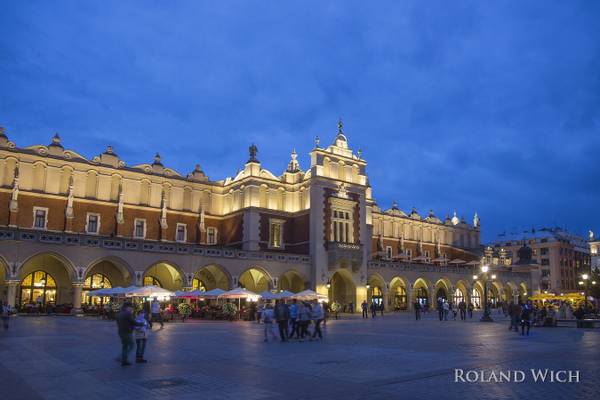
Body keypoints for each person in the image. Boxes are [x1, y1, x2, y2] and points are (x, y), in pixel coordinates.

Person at [116, 301, 145, 366]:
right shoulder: (128, 313)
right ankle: (121, 357)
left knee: (125, 346)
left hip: (121, 332)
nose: (131, 309)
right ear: (127, 307)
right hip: (127, 332)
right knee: (131, 345)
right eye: (131, 307)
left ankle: (124, 361)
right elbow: (134, 322)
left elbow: (118, 322)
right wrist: (142, 324)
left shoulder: (119, 313)